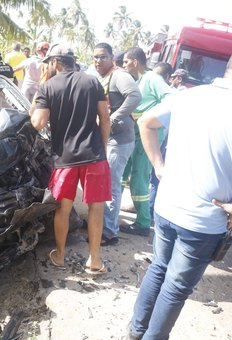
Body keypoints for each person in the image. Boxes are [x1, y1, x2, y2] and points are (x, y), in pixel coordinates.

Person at [126, 44, 232, 339]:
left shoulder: (189, 95)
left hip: (168, 207)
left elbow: (146, 122)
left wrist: (159, 166)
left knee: (159, 269)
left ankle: (136, 331)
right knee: (175, 287)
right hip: (201, 221)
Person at [31, 44, 112, 275]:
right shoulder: (92, 81)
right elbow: (104, 118)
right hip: (94, 155)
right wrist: (102, 150)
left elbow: (37, 123)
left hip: (64, 158)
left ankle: (59, 256)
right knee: (96, 208)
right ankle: (95, 261)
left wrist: (40, 93)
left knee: (63, 209)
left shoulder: (48, 87)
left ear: (55, 62)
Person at [120, 47, 173, 237]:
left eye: (126, 61)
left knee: (140, 178)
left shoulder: (152, 79)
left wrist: (146, 116)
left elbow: (171, 99)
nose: (124, 65)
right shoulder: (138, 80)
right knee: (123, 175)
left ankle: (142, 223)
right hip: (135, 134)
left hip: (148, 134)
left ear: (135, 61)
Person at [93, 42, 142, 246]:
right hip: (111, 139)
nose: (98, 61)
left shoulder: (119, 75)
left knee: (111, 186)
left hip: (119, 140)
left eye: (103, 57)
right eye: (95, 57)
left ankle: (110, 232)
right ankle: (105, 224)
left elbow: (136, 96)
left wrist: (114, 118)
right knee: (108, 183)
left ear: (112, 57)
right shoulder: (104, 77)